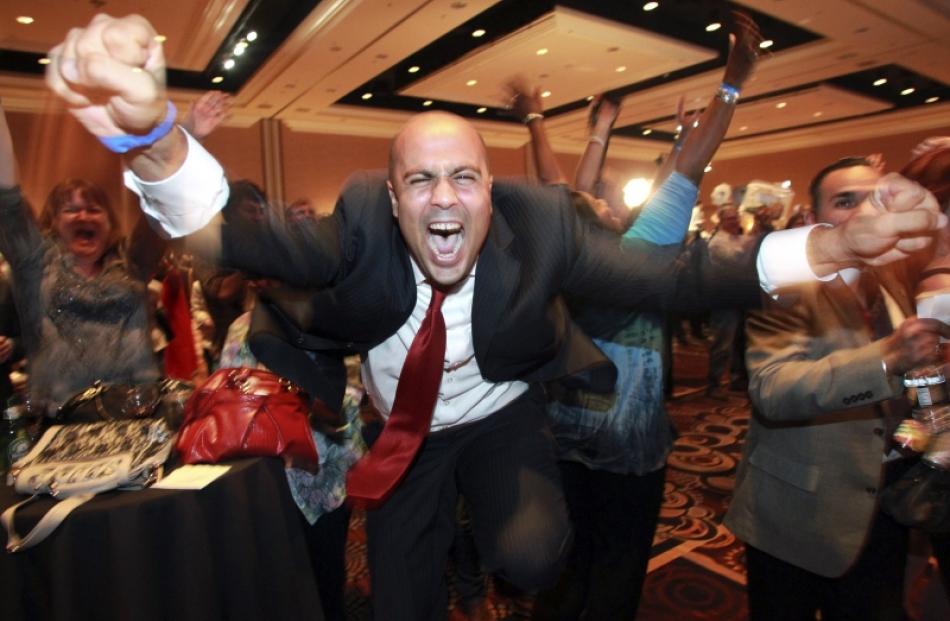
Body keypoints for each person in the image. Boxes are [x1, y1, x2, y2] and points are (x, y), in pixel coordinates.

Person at [46, 14, 946, 621]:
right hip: (402, 436)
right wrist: (151, 136)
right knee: (400, 600)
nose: (445, 199)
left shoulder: (545, 224)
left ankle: (505, 548)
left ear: (490, 189)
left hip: (502, 414)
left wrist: (830, 250)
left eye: (465, 176)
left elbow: (676, 273)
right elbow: (245, 236)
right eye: (421, 181)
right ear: (394, 198)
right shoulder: (357, 224)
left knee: (533, 556)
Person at [521, 12, 763, 619]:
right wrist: (731, 82)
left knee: (564, 560)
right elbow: (685, 174)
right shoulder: (641, 256)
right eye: (599, 199)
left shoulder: (566, 257)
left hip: (562, 434)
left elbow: (563, 189)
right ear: (593, 218)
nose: (606, 197)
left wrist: (569, 125)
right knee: (618, 565)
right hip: (628, 448)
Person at [724, 155, 950, 621]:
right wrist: (888, 356)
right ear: (812, 221)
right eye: (846, 202)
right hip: (796, 512)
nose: (865, 214)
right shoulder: (784, 287)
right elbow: (772, 389)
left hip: (880, 509)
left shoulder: (891, 272)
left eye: (875, 199)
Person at [0, 100, 164, 415]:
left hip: (138, 415)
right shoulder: (36, 266)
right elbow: (7, 200)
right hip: (62, 422)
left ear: (108, 221)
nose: (82, 216)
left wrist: (190, 136)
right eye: (70, 209)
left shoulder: (130, 265)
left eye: (92, 209)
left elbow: (163, 214)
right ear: (53, 221)